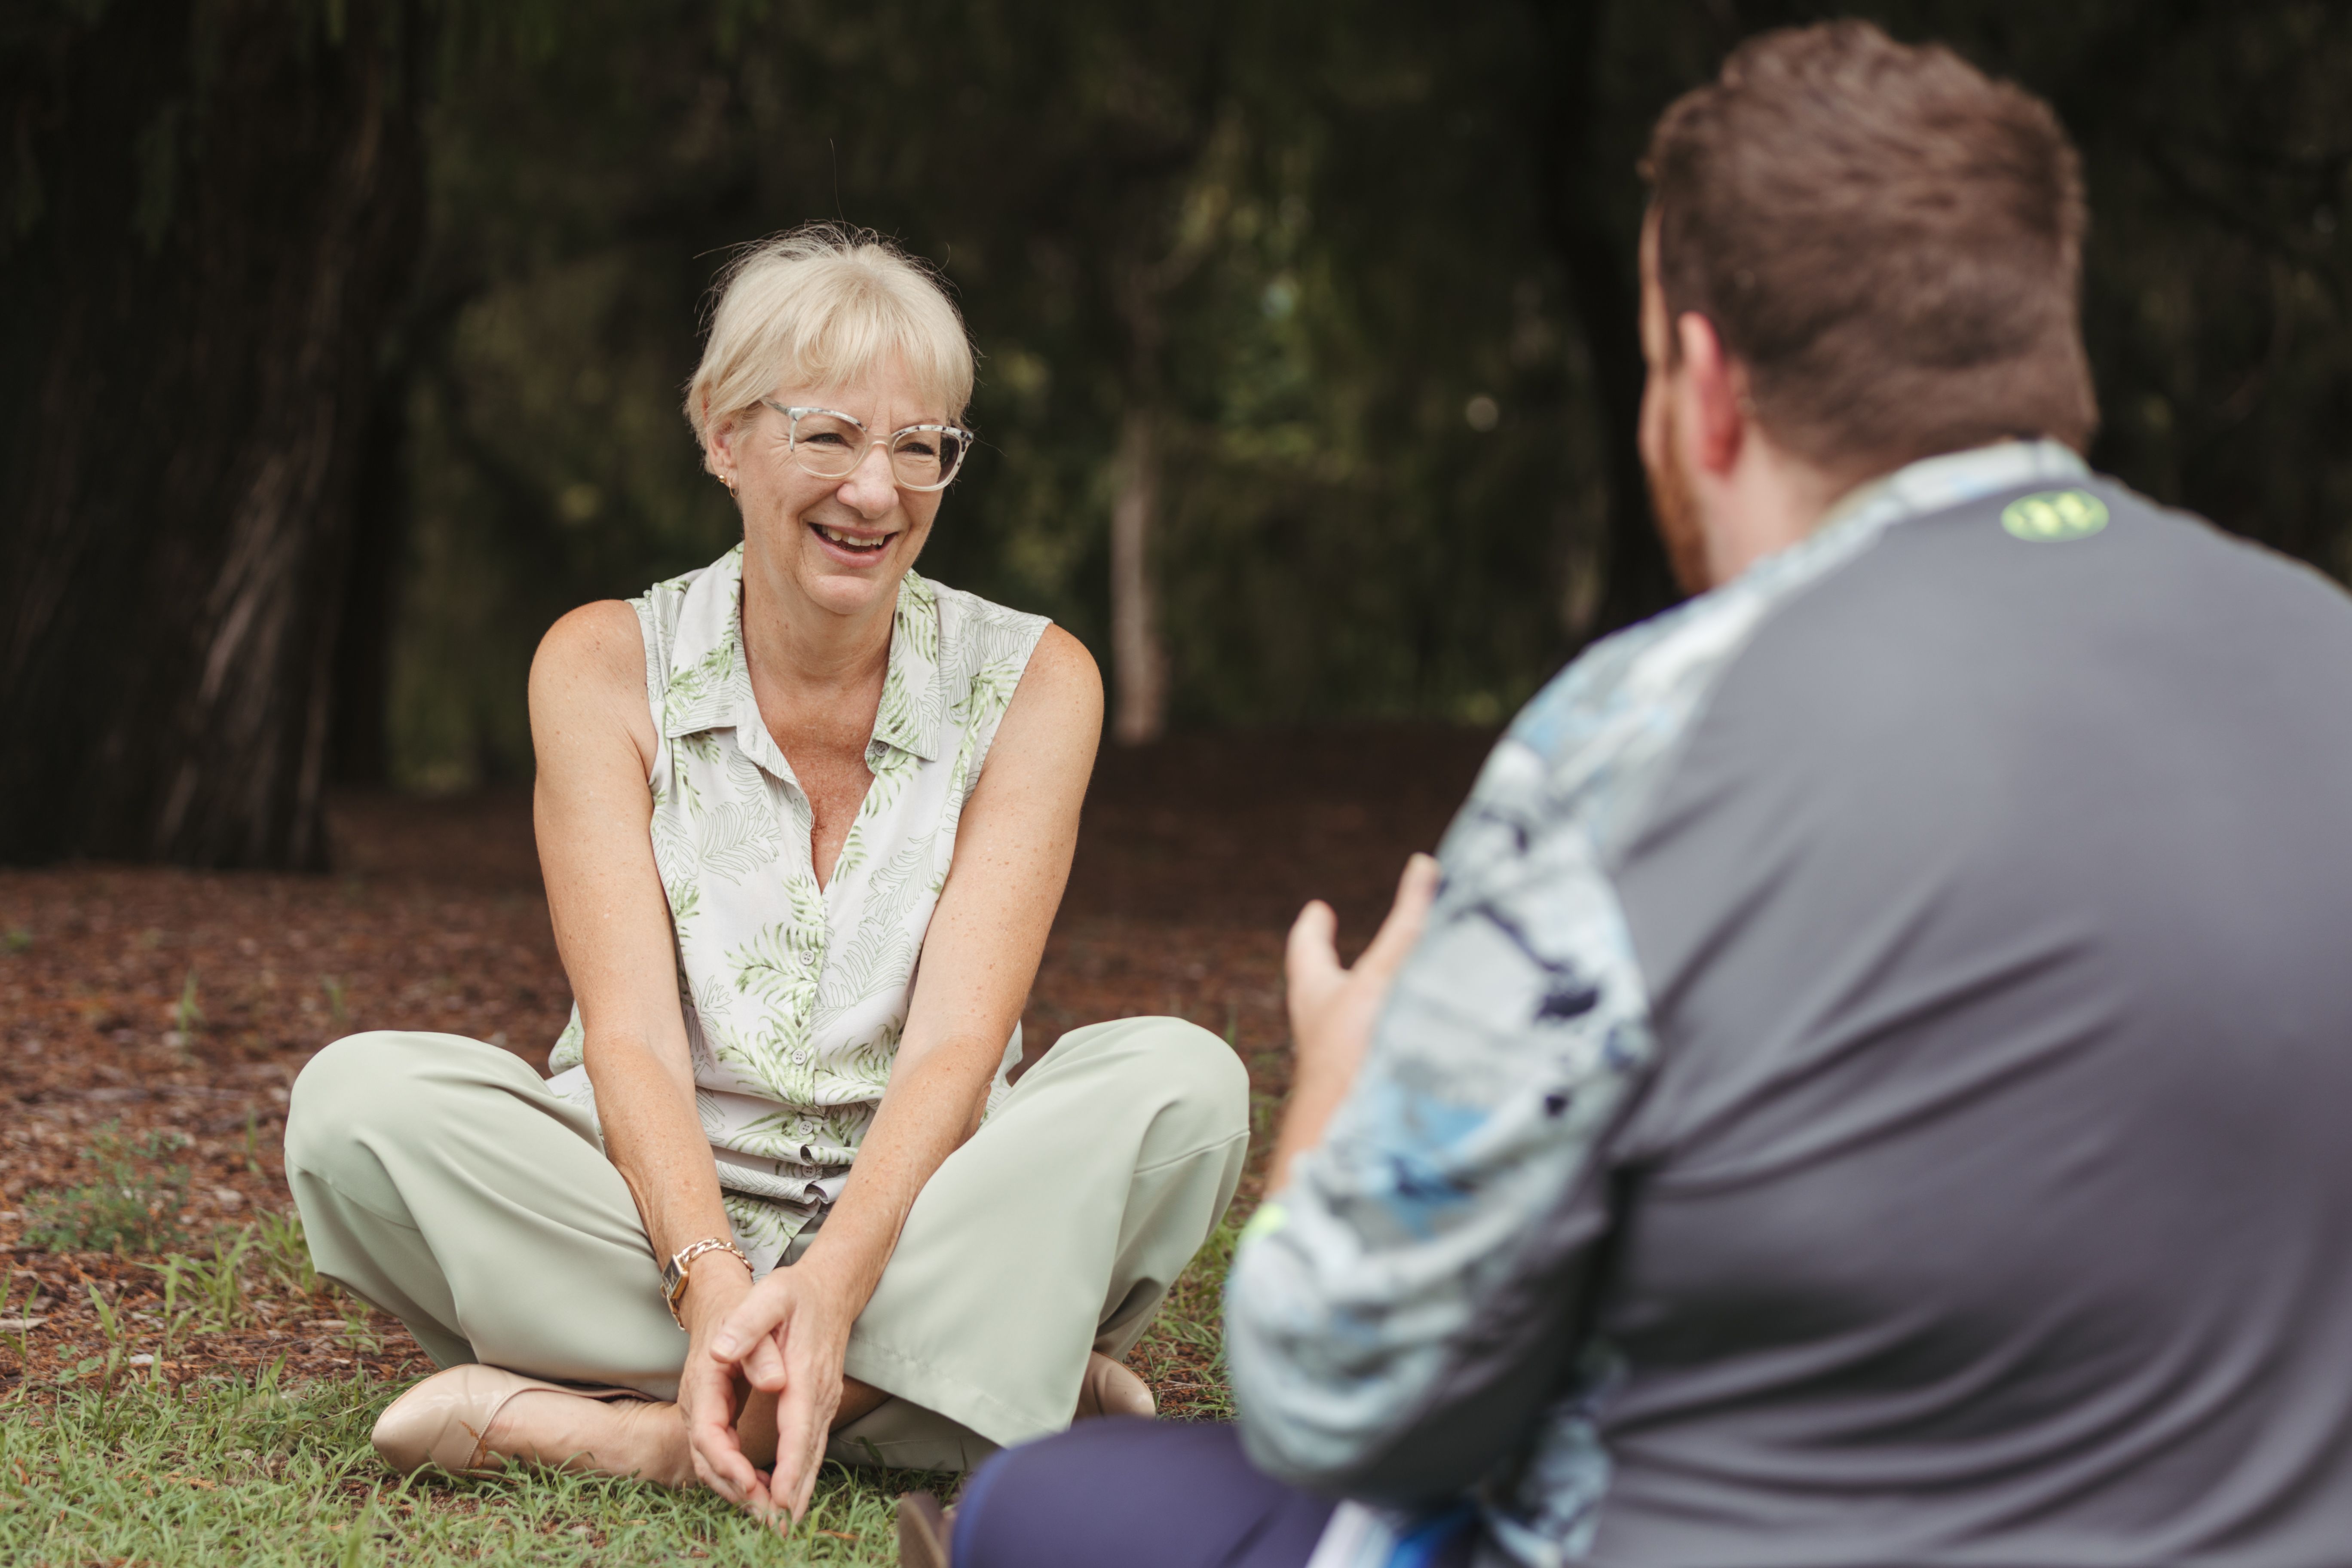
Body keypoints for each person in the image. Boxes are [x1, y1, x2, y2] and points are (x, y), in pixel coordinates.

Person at [941, 22, 2352, 1568]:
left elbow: (1343, 1394)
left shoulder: (1654, 732)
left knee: (1045, 1512)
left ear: (1708, 383)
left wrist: (1336, 1108)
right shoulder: (2326, 651)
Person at [282, 225, 1250, 1527]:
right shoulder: (601, 666)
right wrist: (713, 1283)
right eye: (830, 435)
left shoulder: (1036, 681)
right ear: (723, 436)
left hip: (931, 1199)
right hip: (650, 1215)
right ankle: (963, 1389)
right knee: (356, 1109)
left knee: (1183, 1087)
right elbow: (625, 1039)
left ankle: (634, 1433)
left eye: (923, 447)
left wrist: (841, 1276)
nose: (877, 490)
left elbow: (960, 1046)